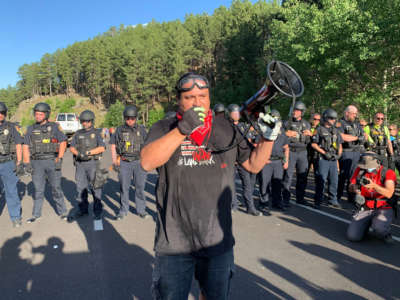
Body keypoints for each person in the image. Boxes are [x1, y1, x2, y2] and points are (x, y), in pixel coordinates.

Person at [140, 72, 280, 300]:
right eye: (190, 97)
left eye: (203, 96)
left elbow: (253, 165)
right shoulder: (165, 126)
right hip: (174, 241)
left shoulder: (226, 127)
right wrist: (182, 129)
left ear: (209, 97)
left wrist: (268, 138)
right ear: (179, 100)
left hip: (217, 240)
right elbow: (147, 162)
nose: (197, 102)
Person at [23, 102, 68, 223]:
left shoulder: (54, 127)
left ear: (46, 114)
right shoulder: (30, 129)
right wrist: (26, 163)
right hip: (36, 163)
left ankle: (63, 212)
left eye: (40, 114)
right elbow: (25, 146)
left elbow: (63, 141)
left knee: (56, 188)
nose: (37, 116)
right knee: (38, 190)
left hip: (51, 161)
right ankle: (36, 214)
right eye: (36, 114)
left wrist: (60, 158)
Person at [347, 152, 396, 243]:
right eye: (365, 166)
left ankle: (385, 232)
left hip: (383, 207)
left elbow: (389, 193)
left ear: (377, 163)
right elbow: (351, 186)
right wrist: (354, 188)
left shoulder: (388, 173)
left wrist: (374, 186)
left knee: (379, 229)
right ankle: (365, 225)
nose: (367, 169)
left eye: (369, 166)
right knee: (353, 237)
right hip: (365, 206)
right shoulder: (360, 170)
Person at [110, 105, 149, 220]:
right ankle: (123, 210)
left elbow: (147, 145)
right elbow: (113, 145)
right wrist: (114, 161)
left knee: (140, 187)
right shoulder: (119, 130)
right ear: (124, 118)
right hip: (124, 162)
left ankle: (141, 210)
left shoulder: (141, 129)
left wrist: (147, 161)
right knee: (124, 187)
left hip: (138, 162)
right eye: (127, 118)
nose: (130, 120)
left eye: (132, 118)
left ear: (136, 118)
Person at [69, 110, 106, 220]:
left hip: (93, 164)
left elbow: (102, 147)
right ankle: (83, 210)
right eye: (83, 121)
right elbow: (71, 147)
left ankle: (97, 211)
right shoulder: (78, 133)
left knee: (96, 188)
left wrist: (88, 153)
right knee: (81, 188)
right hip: (80, 164)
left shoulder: (97, 133)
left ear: (92, 121)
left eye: (87, 121)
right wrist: (79, 154)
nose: (85, 123)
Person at [282, 101, 312, 206]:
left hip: (303, 152)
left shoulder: (306, 123)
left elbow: (310, 139)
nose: (294, 112)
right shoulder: (286, 123)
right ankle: (285, 198)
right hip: (290, 151)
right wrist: (286, 133)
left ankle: (300, 198)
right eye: (294, 110)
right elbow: (279, 135)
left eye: (297, 110)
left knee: (302, 176)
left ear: (301, 112)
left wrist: (310, 134)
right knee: (288, 176)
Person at [312, 109, 343, 209]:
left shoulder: (336, 131)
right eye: (331, 118)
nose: (333, 120)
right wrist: (324, 153)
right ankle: (318, 201)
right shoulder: (319, 129)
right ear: (326, 118)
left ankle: (332, 200)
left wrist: (339, 155)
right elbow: (313, 144)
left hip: (333, 159)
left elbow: (340, 145)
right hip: (323, 159)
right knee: (321, 180)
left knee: (334, 180)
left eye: (334, 118)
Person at [0, 102, 24, 227]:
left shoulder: (10, 127)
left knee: (11, 191)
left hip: (8, 163)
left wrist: (19, 162)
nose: (0, 115)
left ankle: (15, 217)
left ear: (5, 114)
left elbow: (19, 143)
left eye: (2, 113)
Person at [259, 109, 289, 210]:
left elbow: (286, 148)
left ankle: (277, 202)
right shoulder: (264, 131)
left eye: (277, 119)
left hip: (278, 162)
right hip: (266, 161)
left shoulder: (282, 132)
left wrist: (286, 161)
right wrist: (262, 158)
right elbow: (257, 146)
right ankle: (264, 203)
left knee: (277, 183)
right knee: (264, 183)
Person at [337, 105, 366, 203]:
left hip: (356, 152)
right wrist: (356, 138)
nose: (355, 115)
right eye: (353, 113)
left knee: (353, 176)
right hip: (346, 152)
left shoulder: (357, 124)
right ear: (347, 113)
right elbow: (342, 136)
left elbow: (364, 135)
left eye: (356, 113)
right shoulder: (340, 123)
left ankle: (351, 197)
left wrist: (362, 137)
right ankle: (337, 196)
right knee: (342, 175)